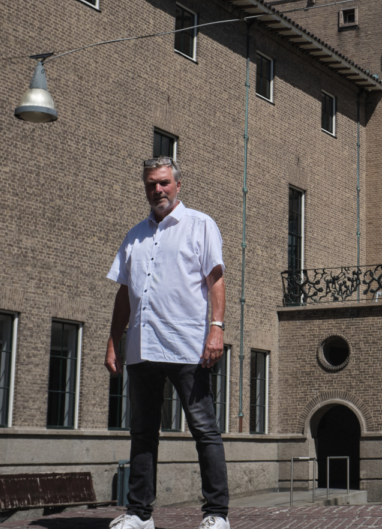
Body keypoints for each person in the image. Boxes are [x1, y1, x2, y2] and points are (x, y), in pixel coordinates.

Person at [105, 157, 229, 529]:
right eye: (151, 184)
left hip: (188, 346)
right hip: (142, 347)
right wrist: (113, 341)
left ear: (177, 185)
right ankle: (139, 515)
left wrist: (217, 328)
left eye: (163, 183)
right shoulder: (134, 236)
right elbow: (124, 295)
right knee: (142, 432)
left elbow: (216, 279)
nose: (157, 190)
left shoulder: (200, 225)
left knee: (204, 429)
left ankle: (216, 514)